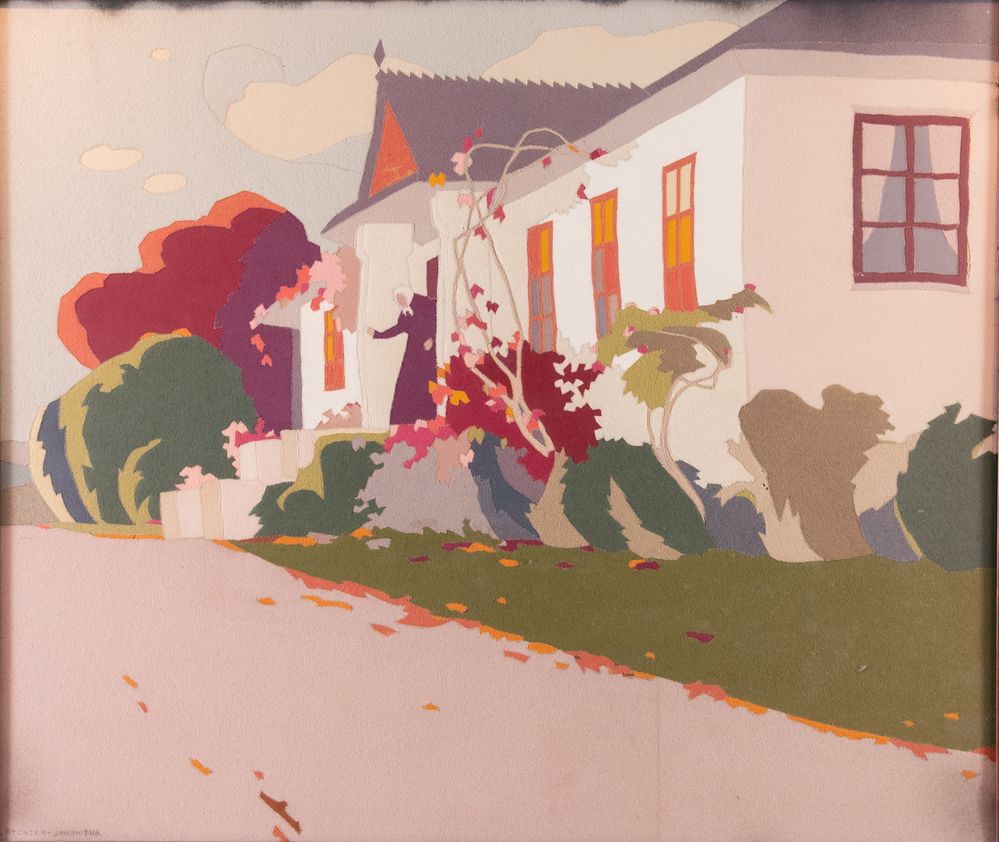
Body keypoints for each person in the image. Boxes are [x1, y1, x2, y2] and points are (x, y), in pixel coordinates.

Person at [367, 285, 437, 425]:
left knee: (426, 384)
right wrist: (377, 334)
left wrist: (432, 338)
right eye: (398, 299)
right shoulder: (405, 313)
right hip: (413, 353)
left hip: (428, 354)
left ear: (407, 294)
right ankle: (404, 419)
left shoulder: (423, 302)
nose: (400, 301)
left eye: (401, 298)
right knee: (406, 384)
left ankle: (427, 417)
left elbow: (437, 320)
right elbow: (396, 329)